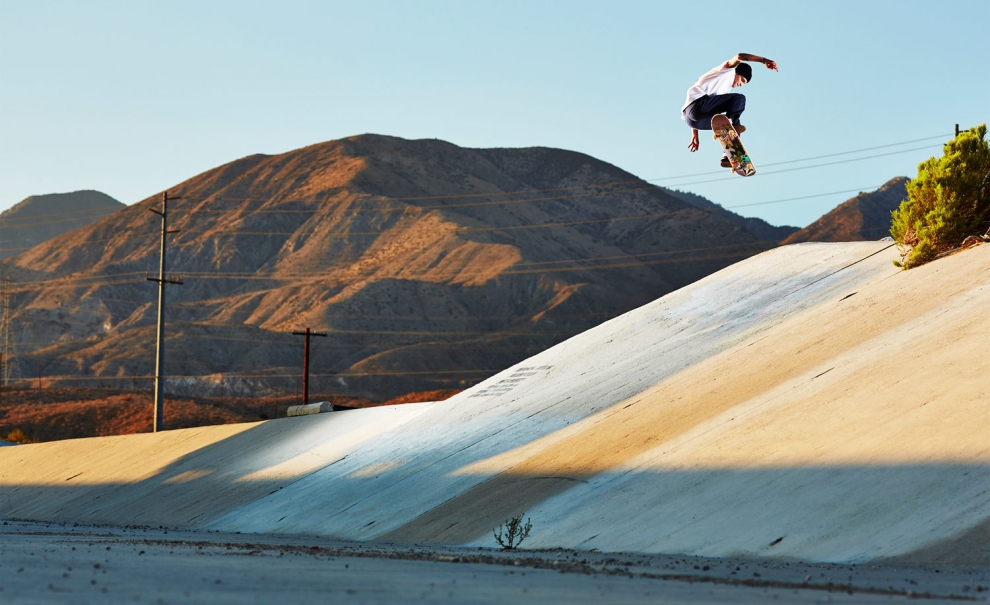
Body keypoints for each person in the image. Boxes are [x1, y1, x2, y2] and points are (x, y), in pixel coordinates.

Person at [682, 53, 779, 167]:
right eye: (742, 80)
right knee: (739, 99)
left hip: (693, 121)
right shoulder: (727, 71)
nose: (741, 84)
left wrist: (695, 135)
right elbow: (739, 56)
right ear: (736, 73)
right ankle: (731, 123)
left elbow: (695, 113)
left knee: (734, 121)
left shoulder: (722, 93)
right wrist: (763, 60)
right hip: (697, 106)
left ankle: (729, 156)